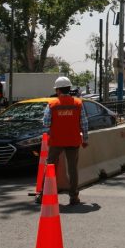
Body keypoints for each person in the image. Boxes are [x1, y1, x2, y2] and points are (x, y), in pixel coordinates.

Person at [39, 76, 89, 206]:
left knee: (50, 167)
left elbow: (46, 123)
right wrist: (85, 138)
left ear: (58, 90)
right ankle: (74, 197)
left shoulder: (52, 104)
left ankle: (43, 195)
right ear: (69, 88)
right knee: (73, 169)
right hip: (73, 140)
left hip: (56, 141)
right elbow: (84, 123)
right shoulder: (78, 103)